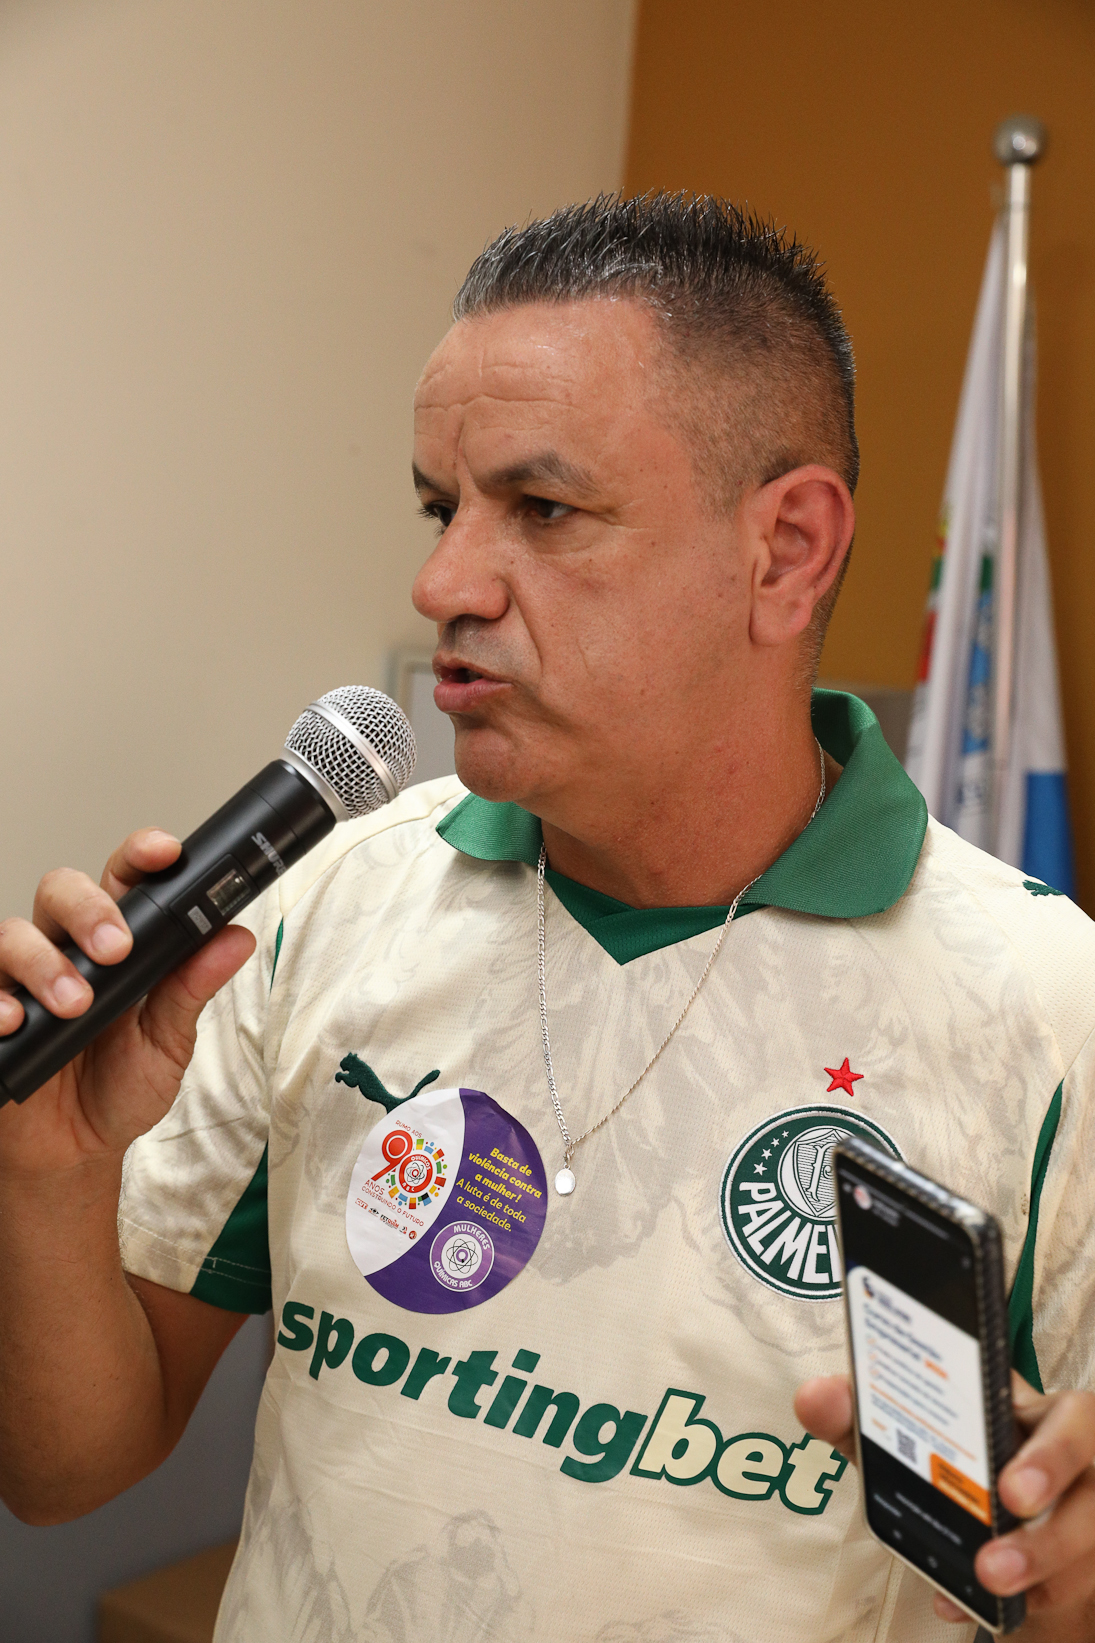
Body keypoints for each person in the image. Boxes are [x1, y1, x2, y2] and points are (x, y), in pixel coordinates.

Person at [1, 194, 1094, 1643]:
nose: (443, 581)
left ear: (785, 551)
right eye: (440, 507)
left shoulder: (1045, 1001)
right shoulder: (326, 897)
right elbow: (68, 1471)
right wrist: (44, 1176)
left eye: (544, 508)